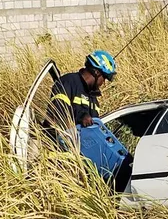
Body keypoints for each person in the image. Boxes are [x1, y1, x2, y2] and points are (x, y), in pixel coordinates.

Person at [43, 50, 132, 192]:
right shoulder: (68, 82)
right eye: (104, 78)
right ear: (96, 73)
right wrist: (80, 117)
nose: (103, 83)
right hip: (61, 158)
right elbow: (56, 115)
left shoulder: (93, 100)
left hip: (85, 164)